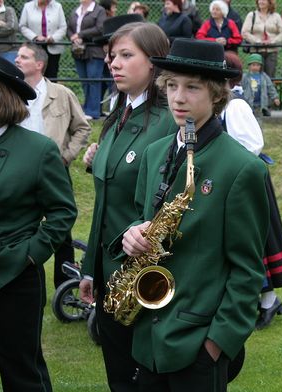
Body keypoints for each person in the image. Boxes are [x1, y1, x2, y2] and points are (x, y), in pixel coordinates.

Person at [120, 38, 269, 390]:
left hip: (198, 341)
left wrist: (217, 343)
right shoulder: (155, 153)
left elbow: (248, 271)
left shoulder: (242, 168)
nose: (178, 97)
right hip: (148, 334)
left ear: (217, 93)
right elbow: (138, 216)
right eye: (171, 86)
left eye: (192, 87)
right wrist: (129, 236)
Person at [0, 50, 77, 391]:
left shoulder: (38, 149)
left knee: (22, 375)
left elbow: (63, 212)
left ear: (0, 95)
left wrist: (29, 254)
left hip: (11, 282)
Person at [78, 22, 177, 391]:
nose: (113, 63)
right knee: (119, 377)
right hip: (110, 273)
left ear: (154, 62)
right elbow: (104, 203)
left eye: (125, 55)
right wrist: (90, 269)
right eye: (111, 56)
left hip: (146, 274)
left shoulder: (169, 120)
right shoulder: (118, 115)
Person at [222, 51, 282, 330]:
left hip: (246, 181)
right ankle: (261, 300)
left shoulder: (235, 106)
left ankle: (269, 301)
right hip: (234, 181)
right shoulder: (222, 104)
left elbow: (253, 144)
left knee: (257, 242)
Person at [15, 42, 91, 289]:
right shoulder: (11, 94)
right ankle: (20, 281)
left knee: (61, 229)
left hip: (55, 170)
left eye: (23, 56)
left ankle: (65, 285)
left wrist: (67, 156)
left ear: (39, 64)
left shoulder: (62, 93)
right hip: (18, 171)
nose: (17, 59)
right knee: (19, 226)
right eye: (17, 56)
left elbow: (82, 128)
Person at [67, 0, 107, 120]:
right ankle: (88, 109)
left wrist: (80, 35)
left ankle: (93, 112)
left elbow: (100, 28)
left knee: (93, 81)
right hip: (79, 51)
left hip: (94, 51)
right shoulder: (75, 10)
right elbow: (68, 28)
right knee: (85, 82)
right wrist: (73, 37)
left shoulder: (99, 10)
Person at [19, 0, 67, 79]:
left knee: (52, 76)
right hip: (34, 48)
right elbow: (22, 26)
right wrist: (35, 37)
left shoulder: (57, 6)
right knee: (34, 75)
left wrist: (53, 38)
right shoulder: (28, 6)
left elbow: (63, 27)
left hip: (52, 48)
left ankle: (51, 91)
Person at [241, 0, 282, 78]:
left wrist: (273, 41)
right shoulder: (251, 15)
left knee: (270, 78)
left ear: (270, 2)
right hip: (256, 51)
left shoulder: (276, 16)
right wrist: (258, 41)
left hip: (271, 51)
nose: (261, 2)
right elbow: (244, 32)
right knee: (255, 77)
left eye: (263, 0)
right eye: (259, 0)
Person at [241, 53, 280, 118]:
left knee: (259, 119)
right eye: (253, 65)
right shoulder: (245, 77)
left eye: (258, 65)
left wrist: (275, 97)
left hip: (260, 103)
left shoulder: (264, 76)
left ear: (261, 66)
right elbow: (240, 88)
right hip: (248, 102)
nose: (255, 67)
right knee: (248, 118)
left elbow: (270, 87)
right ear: (249, 66)